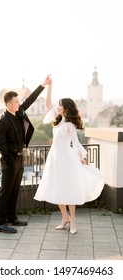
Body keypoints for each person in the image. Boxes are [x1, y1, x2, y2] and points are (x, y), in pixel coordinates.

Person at [34, 77, 104, 234]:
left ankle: (73, 220)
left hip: (66, 157)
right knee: (58, 188)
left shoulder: (70, 124)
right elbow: (47, 105)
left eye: (60, 105)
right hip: (54, 158)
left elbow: (76, 141)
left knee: (69, 188)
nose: (57, 107)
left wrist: (80, 156)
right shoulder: (57, 120)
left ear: (66, 108)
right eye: (58, 105)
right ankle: (64, 217)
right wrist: (50, 86)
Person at [0, 75, 51, 233]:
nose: (19, 103)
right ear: (8, 104)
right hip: (10, 161)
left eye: (19, 101)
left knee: (14, 190)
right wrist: (9, 160)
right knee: (5, 191)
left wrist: (42, 85)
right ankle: (0, 222)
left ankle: (11, 217)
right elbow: (1, 144)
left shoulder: (19, 112)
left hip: (20, 157)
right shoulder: (3, 121)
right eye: (16, 102)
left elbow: (30, 99)